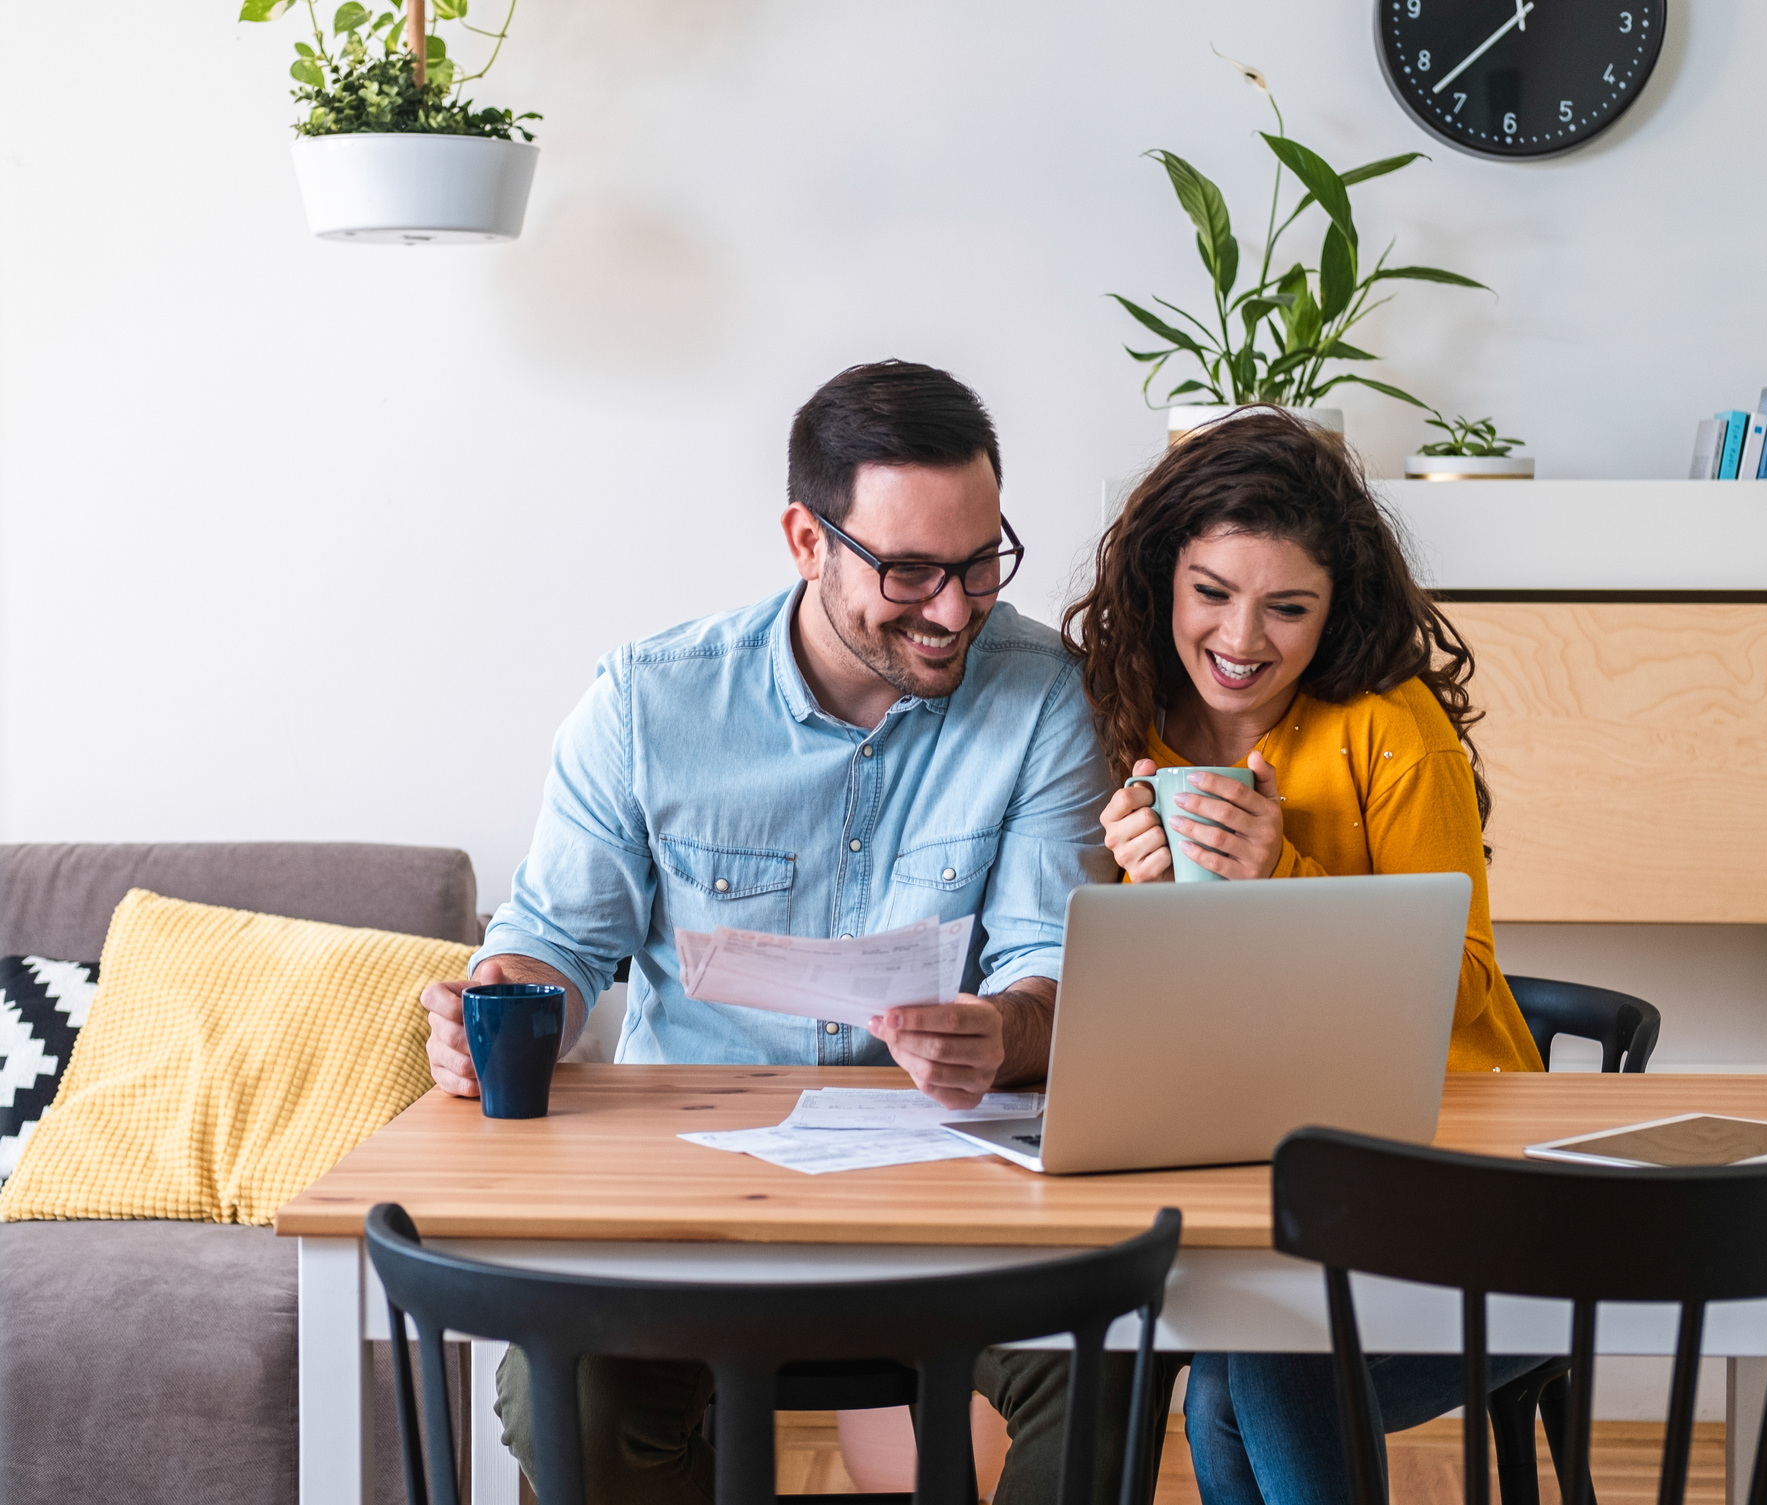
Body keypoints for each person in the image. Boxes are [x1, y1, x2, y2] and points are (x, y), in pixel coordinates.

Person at [421, 360, 1137, 1505]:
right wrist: (501, 1005)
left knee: (1114, 1364)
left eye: (977, 563)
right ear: (807, 538)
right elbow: (553, 942)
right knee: (570, 1398)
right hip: (685, 1203)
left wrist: (999, 1032)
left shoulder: (1043, 695)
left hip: (954, 1199)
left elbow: (1050, 966)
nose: (954, 609)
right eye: (908, 571)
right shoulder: (649, 704)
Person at [1063, 407, 1544, 1505]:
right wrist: (1143, 890)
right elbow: (1165, 1017)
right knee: (1238, 1366)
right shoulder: (1126, 716)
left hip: (1455, 1178)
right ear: (1160, 581)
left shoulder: (1389, 724)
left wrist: (1279, 874)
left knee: (1252, 1371)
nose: (1244, 638)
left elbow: (1462, 983)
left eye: (1289, 607)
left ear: (1337, 611)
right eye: (1212, 593)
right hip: (1257, 1169)